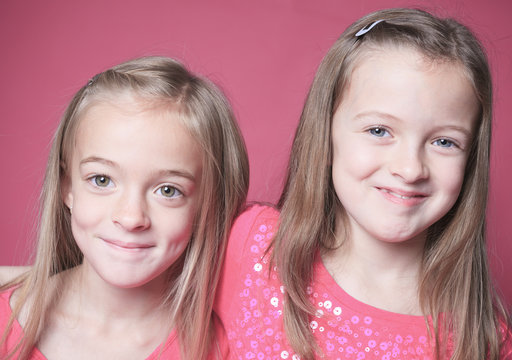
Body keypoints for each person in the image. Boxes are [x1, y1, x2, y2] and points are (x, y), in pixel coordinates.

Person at [216, 8, 511, 360]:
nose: (410, 168)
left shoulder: (484, 340)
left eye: (444, 142)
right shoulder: (252, 246)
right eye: (379, 131)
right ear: (325, 136)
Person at [0, 56, 249, 360]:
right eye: (102, 180)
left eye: (168, 190)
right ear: (67, 187)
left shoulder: (229, 348)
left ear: (208, 205)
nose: (131, 218)